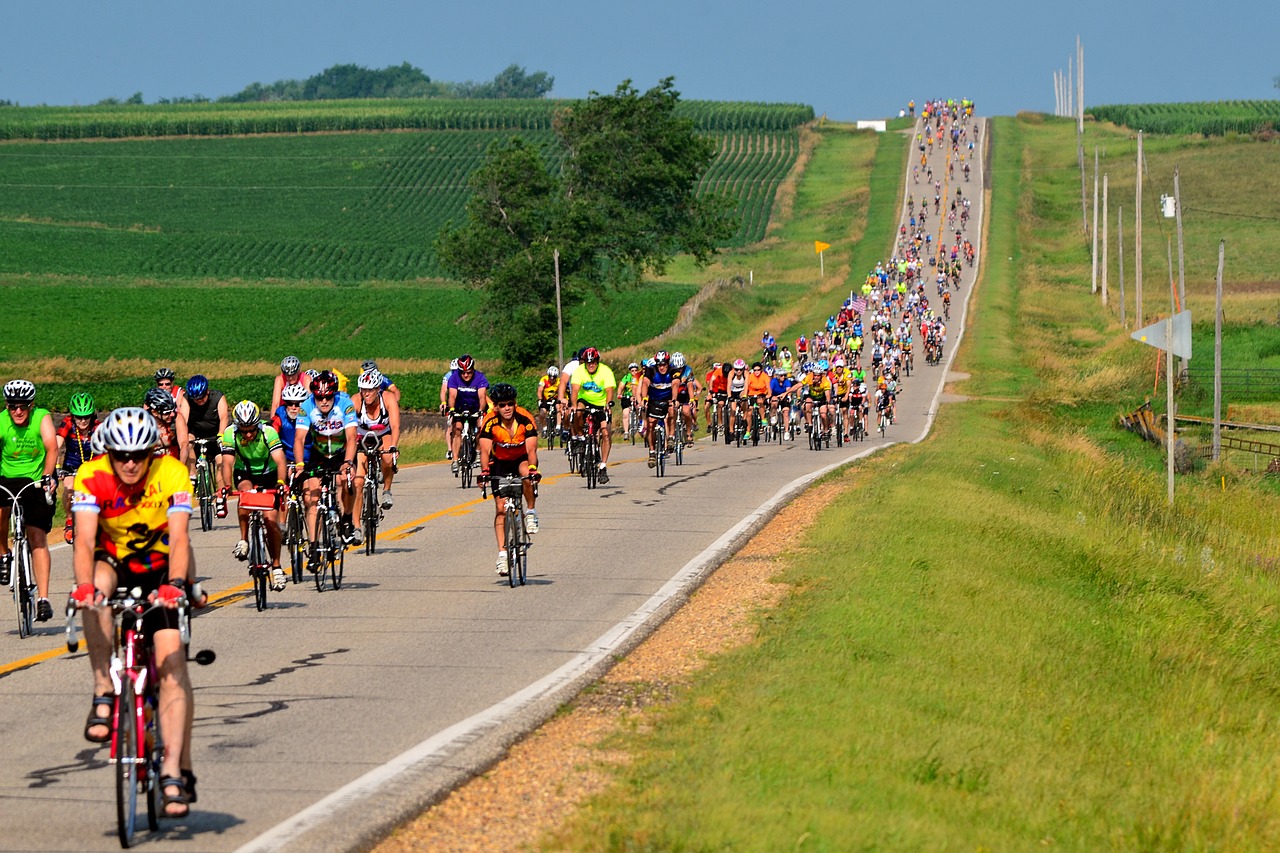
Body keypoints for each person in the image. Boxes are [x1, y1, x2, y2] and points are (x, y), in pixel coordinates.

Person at [69, 407, 202, 818]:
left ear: (152, 452)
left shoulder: (172, 472)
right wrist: (85, 588)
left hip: (161, 566)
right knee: (94, 590)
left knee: (171, 662)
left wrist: (176, 585)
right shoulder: (90, 475)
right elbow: (84, 541)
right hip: (115, 561)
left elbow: (179, 537)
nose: (130, 463)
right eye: (121, 455)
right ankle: (103, 690)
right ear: (108, 452)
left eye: (139, 454)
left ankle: (171, 774)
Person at [0, 379, 58, 621]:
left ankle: (43, 598)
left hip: (36, 480)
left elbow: (52, 448)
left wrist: (47, 476)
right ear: (7, 406)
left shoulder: (41, 418)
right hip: (6, 478)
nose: (18, 411)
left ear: (31, 405)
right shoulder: (2, 421)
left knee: (36, 535)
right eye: (13, 406)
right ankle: (4, 555)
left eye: (23, 406)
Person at [220, 401, 288, 590]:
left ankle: (276, 566)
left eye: (252, 430)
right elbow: (227, 463)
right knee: (245, 493)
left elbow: (280, 460)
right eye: (244, 430)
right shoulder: (230, 433)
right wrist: (226, 486)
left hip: (269, 474)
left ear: (258, 424)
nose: (248, 434)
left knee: (270, 521)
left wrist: (281, 483)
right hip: (246, 472)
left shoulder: (268, 432)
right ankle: (244, 540)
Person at [294, 371, 360, 558]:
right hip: (320, 453)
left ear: (334, 394)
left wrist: (348, 462)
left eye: (328, 397)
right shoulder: (306, 407)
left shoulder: (345, 404)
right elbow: (299, 438)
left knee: (345, 481)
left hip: (341, 452)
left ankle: (347, 518)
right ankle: (314, 546)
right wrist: (299, 464)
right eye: (319, 397)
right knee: (311, 497)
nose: (324, 401)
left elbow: (352, 436)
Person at [477, 382, 540, 575]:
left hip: (520, 458)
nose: (507, 408)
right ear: (495, 406)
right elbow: (485, 450)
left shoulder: (525, 418)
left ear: (515, 404)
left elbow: (531, 449)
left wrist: (532, 469)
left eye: (510, 404)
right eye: (502, 405)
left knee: (527, 476)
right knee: (500, 508)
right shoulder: (490, 422)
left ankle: (530, 512)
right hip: (500, 463)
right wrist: (485, 471)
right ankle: (503, 555)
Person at [352, 368, 400, 517]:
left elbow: (395, 426)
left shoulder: (388, 398)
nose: (366, 394)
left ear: (378, 389)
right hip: (362, 435)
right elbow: (350, 428)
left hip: (383, 433)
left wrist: (393, 446)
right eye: (363, 390)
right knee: (358, 480)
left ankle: (386, 490)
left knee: (387, 458)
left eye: (370, 390)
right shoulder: (356, 401)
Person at [55, 392, 99, 544]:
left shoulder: (98, 427)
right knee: (69, 489)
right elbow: (56, 444)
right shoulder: (68, 423)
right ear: (73, 416)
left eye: (86, 416)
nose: (83, 421)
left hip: (92, 465)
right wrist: (56, 467)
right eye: (79, 417)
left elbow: (109, 445)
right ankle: (69, 521)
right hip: (71, 465)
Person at [183, 375, 229, 517]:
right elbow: (183, 420)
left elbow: (224, 417)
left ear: (207, 392)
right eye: (196, 399)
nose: (199, 401)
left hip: (215, 434)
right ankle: (193, 474)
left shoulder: (218, 397)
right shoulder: (186, 399)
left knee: (221, 460)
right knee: (187, 442)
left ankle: (220, 496)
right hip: (196, 433)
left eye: (202, 397)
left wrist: (221, 435)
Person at [569, 347, 616, 482]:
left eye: (593, 362)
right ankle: (581, 438)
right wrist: (573, 405)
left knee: (605, 433)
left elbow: (609, 390)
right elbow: (575, 390)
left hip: (601, 403)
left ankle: (603, 466)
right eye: (588, 362)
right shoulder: (579, 371)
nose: (591, 365)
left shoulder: (605, 371)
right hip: (585, 400)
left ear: (597, 361)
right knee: (577, 410)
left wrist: (608, 404)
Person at [447, 355, 489, 477]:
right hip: (460, 406)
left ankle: (477, 451)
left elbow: (482, 396)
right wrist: (452, 410)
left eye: (468, 373)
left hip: (475, 406)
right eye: (463, 373)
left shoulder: (480, 377)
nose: (465, 375)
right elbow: (452, 396)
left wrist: (481, 411)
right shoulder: (454, 377)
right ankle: (455, 460)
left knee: (481, 426)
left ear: (473, 370)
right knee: (457, 429)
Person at [638, 351, 678, 467]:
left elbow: (675, 384)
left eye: (664, 364)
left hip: (668, 399)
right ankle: (652, 452)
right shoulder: (651, 371)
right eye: (659, 365)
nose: (662, 367)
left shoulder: (673, 371)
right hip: (654, 399)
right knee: (651, 423)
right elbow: (645, 384)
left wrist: (674, 399)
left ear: (668, 363)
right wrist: (644, 398)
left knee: (672, 410)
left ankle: (670, 437)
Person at [144, 387, 189, 464]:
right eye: (167, 412)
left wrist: (181, 467)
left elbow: (184, 444)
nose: (172, 414)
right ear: (154, 412)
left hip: (172, 464)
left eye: (172, 410)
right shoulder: (143, 422)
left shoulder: (177, 418)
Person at [535, 366, 561, 439]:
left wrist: (560, 399)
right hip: (545, 399)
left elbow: (561, 391)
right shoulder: (544, 379)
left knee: (558, 407)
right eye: (550, 377)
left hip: (555, 398)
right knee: (542, 413)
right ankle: (544, 428)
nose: (552, 379)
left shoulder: (559, 381)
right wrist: (540, 400)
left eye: (554, 377)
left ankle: (558, 427)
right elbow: (540, 390)